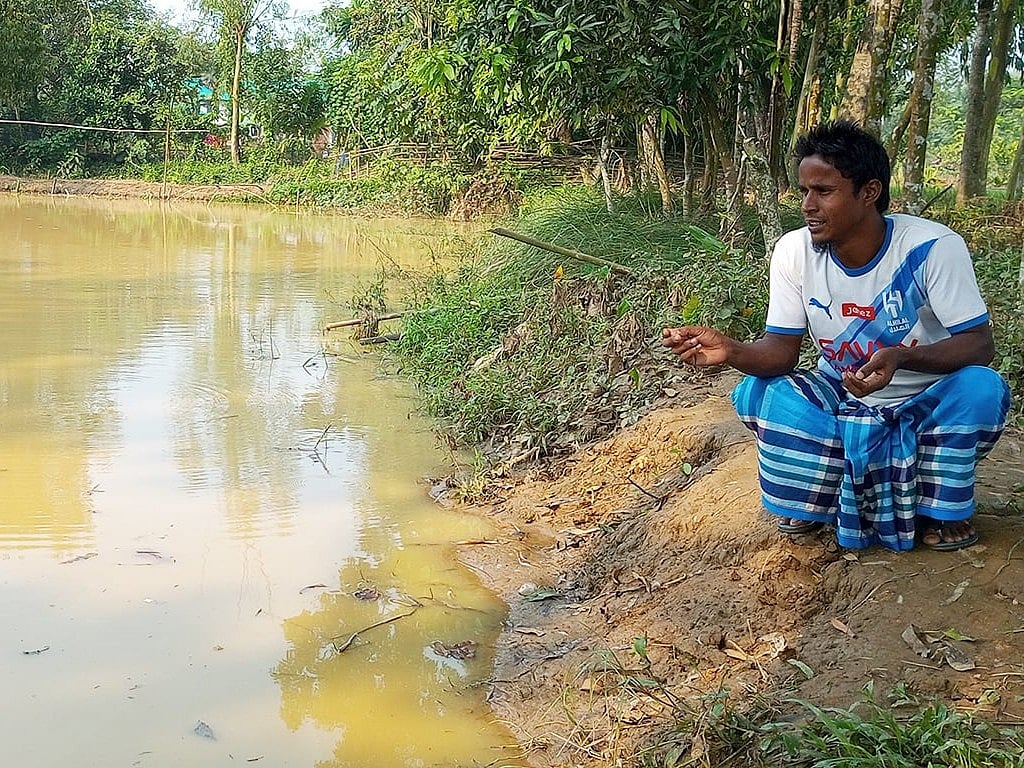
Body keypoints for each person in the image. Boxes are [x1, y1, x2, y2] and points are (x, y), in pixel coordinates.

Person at [663, 120, 1011, 552]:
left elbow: (980, 345)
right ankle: (826, 500)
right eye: (804, 191)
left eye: (823, 191)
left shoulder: (932, 249)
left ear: (868, 192)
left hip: (927, 399)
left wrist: (901, 358)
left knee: (982, 388)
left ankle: (936, 507)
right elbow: (781, 352)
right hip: (842, 393)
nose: (808, 205)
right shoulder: (795, 251)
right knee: (756, 393)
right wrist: (732, 350)